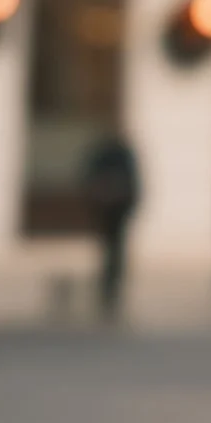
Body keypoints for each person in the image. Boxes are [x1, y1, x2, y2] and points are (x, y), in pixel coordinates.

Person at [79, 129, 141, 322]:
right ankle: (110, 285)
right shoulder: (121, 155)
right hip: (114, 209)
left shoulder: (110, 155)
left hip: (112, 209)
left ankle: (109, 285)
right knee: (114, 249)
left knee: (111, 249)